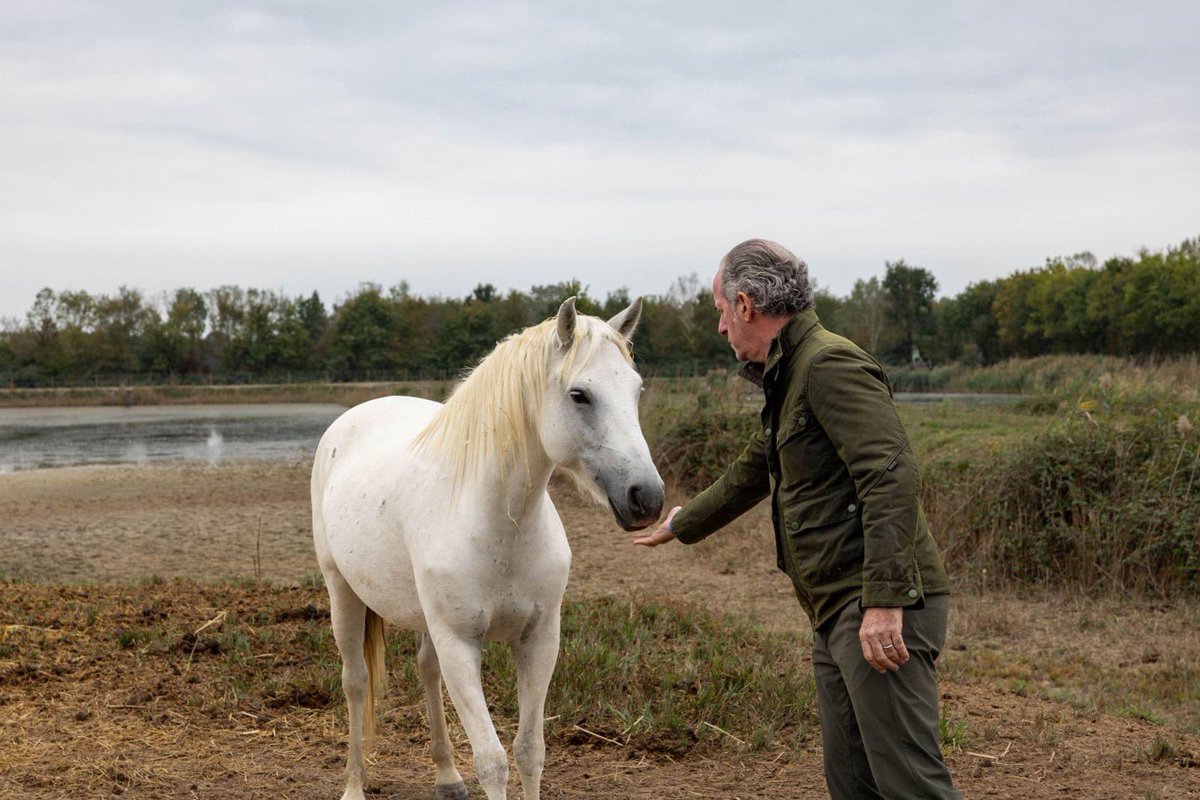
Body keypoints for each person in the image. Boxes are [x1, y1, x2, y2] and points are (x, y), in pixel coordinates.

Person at [633, 239, 960, 799]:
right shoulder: (790, 371)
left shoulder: (828, 363)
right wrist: (682, 523)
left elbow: (890, 475)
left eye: (718, 312)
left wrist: (884, 602)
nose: (719, 329)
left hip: (877, 606)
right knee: (853, 784)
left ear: (744, 305)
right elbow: (756, 468)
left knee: (910, 787)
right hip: (835, 609)